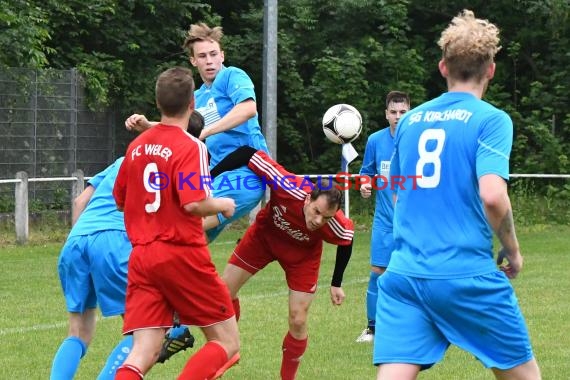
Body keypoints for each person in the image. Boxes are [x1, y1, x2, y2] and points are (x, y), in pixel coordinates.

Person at [374, 10, 541, 380]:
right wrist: (512, 251)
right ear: (491, 70)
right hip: (465, 276)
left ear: (443, 67)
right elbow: (493, 196)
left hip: (404, 276)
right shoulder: (491, 120)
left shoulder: (410, 121)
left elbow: (400, 196)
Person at [113, 67, 239, 380]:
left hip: (142, 256)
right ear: (193, 102)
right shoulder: (190, 146)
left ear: (157, 103)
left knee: (144, 352)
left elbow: (120, 199)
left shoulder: (137, 147)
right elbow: (193, 201)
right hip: (180, 252)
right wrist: (222, 204)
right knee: (227, 341)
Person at [211, 146, 354, 380]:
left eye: (326, 217)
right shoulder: (288, 185)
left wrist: (336, 282)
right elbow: (248, 153)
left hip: (302, 258)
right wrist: (211, 176)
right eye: (316, 211)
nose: (319, 221)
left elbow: (348, 240)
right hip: (263, 239)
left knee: (298, 319)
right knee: (224, 293)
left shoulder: (333, 223)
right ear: (309, 198)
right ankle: (229, 350)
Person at [125, 21, 269, 243]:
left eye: (213, 54)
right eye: (202, 56)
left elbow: (248, 109)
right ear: (193, 61)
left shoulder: (232, 76)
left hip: (247, 173)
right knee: (190, 247)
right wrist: (147, 126)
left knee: (178, 227)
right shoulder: (197, 96)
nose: (209, 61)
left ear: (222, 55)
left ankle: (144, 251)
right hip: (215, 176)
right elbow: (179, 129)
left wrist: (206, 132)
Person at [50, 157, 133, 380]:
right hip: (113, 240)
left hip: (76, 240)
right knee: (143, 330)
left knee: (78, 331)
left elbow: (79, 202)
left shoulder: (121, 161)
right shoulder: (169, 162)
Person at [355, 91, 410, 343]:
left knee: (414, 273)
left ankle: (415, 326)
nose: (398, 117)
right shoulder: (376, 141)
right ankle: (372, 327)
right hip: (385, 221)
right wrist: (365, 185)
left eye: (403, 112)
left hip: (414, 222)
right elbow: (366, 172)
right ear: (386, 114)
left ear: (410, 112)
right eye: (393, 112)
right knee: (378, 270)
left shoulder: (419, 140)